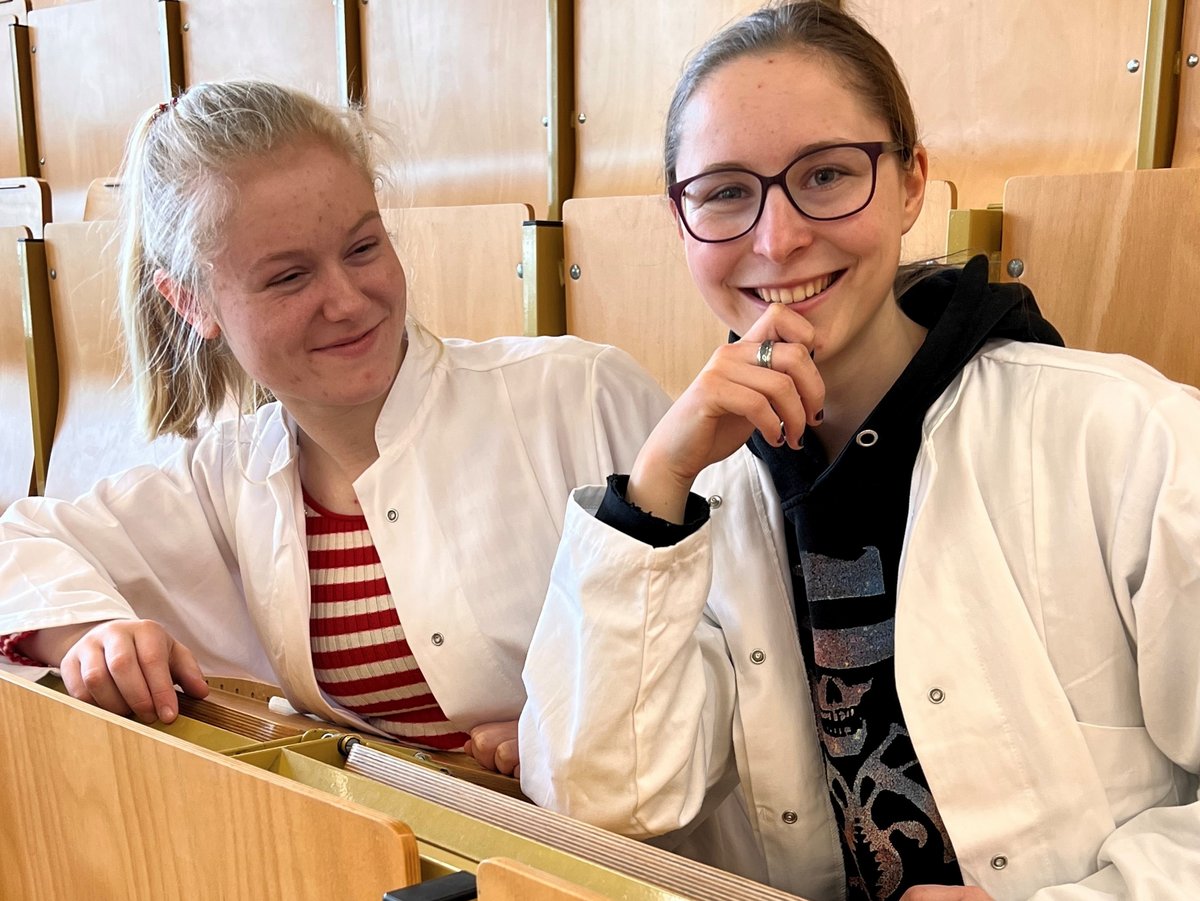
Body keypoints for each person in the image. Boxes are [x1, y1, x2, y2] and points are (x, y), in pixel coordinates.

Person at [518, 3, 1200, 899]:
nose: (777, 237)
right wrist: (655, 490)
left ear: (913, 180)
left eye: (828, 174)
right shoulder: (697, 501)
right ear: (678, 220)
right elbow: (597, 798)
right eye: (724, 191)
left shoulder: (1123, 434)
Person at [0, 80, 667, 774]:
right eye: (289, 277)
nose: (348, 302)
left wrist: (563, 732)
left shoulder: (581, 395)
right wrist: (89, 632)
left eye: (362, 247)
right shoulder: (227, 476)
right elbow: (18, 542)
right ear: (192, 302)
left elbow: (726, 658)